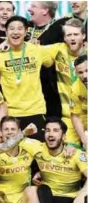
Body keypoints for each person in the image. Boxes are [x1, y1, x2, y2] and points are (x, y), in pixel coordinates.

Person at [0, 16, 54, 141]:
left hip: (36, 111)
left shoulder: (36, 50)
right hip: (11, 115)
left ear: (26, 32)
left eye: (20, 29)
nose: (15, 32)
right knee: (12, 155)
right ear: (6, 32)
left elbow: (49, 62)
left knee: (36, 155)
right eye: (11, 29)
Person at [42, 18, 86, 147]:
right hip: (70, 116)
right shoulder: (58, 50)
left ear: (83, 35)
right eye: (69, 35)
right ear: (64, 38)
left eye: (76, 34)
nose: (72, 38)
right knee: (69, 153)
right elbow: (31, 48)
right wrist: (6, 42)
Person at [22, 117, 87, 203]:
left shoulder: (76, 154)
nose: (50, 134)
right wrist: (23, 133)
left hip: (71, 198)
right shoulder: (37, 148)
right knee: (30, 190)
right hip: (47, 197)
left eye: (55, 130)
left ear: (63, 136)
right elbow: (9, 141)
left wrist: (82, 195)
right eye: (48, 130)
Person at [70, 55, 87, 149]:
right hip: (83, 119)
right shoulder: (75, 89)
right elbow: (75, 116)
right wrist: (84, 140)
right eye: (80, 72)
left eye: (87, 71)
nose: (84, 76)